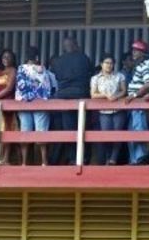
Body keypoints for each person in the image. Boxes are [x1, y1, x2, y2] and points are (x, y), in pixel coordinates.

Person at [49, 37, 92, 165]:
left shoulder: (58, 61)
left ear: (64, 47)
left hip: (64, 96)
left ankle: (72, 158)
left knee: (69, 128)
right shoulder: (84, 58)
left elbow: (57, 76)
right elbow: (89, 73)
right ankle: (84, 157)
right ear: (75, 45)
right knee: (84, 127)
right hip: (82, 95)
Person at [14, 46, 54, 166]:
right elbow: (48, 88)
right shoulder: (42, 69)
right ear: (37, 57)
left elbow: (20, 86)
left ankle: (24, 163)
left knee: (25, 133)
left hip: (24, 103)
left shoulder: (21, 68)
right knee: (41, 134)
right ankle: (44, 162)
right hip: (40, 103)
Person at [123, 40, 149, 165]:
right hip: (134, 104)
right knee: (132, 131)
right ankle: (134, 160)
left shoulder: (145, 65)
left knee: (138, 130)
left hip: (137, 103)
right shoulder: (139, 65)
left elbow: (148, 84)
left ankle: (140, 159)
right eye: (133, 50)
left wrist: (133, 95)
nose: (134, 53)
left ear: (143, 53)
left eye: (137, 51)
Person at [90, 53, 127, 165]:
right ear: (101, 64)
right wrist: (106, 95)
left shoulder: (120, 76)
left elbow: (123, 91)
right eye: (106, 63)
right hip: (103, 111)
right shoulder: (95, 78)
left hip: (118, 110)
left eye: (111, 63)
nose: (109, 65)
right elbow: (93, 94)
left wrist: (116, 96)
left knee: (117, 135)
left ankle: (113, 159)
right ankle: (107, 158)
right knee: (106, 135)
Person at [0, 49, 17, 165]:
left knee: (6, 129)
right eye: (4, 57)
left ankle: (5, 159)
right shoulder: (0, 71)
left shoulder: (13, 71)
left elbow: (9, 88)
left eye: (8, 56)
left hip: (6, 104)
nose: (5, 59)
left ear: (13, 59)